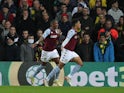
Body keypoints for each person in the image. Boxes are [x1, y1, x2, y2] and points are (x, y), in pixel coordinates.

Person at [43, 19, 83, 86]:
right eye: (79, 23)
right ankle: (47, 79)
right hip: (66, 51)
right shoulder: (71, 31)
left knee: (80, 63)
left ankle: (69, 77)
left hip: (71, 52)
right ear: (75, 24)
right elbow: (67, 39)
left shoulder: (75, 32)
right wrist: (62, 46)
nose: (80, 24)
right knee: (59, 67)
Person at [30, 20, 62, 86]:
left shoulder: (57, 31)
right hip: (46, 52)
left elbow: (56, 38)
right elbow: (42, 37)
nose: (57, 24)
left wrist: (58, 36)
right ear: (52, 24)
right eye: (56, 23)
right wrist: (36, 43)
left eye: (57, 23)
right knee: (43, 66)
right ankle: (33, 76)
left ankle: (56, 80)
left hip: (53, 50)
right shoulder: (48, 31)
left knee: (59, 65)